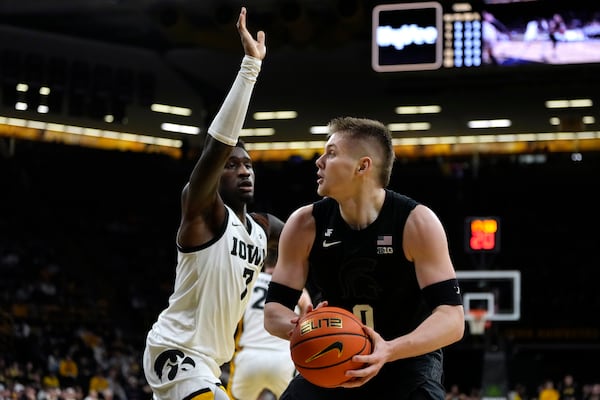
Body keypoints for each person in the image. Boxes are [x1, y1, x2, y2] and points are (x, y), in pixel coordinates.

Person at [263, 117, 465, 399]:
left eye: (331, 153)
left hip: (406, 362)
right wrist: (300, 327)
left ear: (363, 165)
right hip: (333, 356)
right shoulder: (304, 224)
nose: (319, 161)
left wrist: (390, 350)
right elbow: (274, 311)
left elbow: (452, 319)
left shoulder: (416, 222)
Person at [143, 8, 283, 400]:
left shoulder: (263, 227)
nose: (244, 171)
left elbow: (307, 238)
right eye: (232, 165)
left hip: (212, 364)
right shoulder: (202, 213)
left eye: (248, 165)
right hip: (177, 352)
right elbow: (217, 146)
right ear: (215, 174)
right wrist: (250, 68)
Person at [226, 249, 311, 400]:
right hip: (284, 359)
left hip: (249, 356)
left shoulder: (249, 281)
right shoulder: (295, 287)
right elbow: (308, 314)